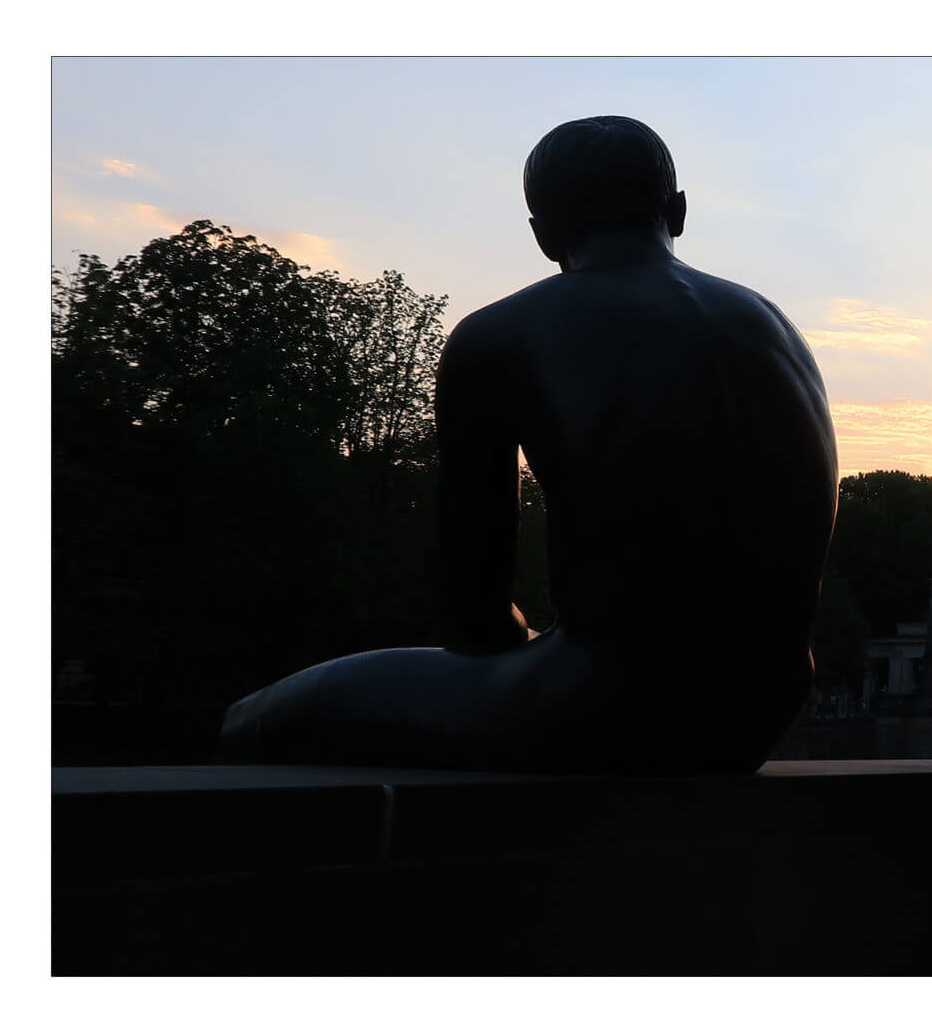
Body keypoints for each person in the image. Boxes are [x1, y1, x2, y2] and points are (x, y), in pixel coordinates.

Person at [218, 116, 838, 773]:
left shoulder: (498, 336)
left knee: (249, 723)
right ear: (678, 211)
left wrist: (543, 649)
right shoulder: (775, 327)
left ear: (543, 234)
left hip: (606, 705)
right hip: (763, 707)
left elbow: (475, 622)